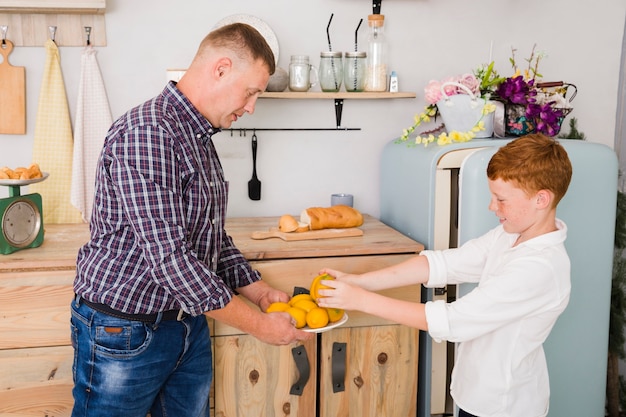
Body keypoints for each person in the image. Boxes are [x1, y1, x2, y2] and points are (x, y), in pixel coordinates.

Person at [71, 23, 313, 417]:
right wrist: (258, 324)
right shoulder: (149, 132)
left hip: (188, 325)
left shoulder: (197, 137)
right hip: (126, 332)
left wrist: (258, 291)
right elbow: (171, 259)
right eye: (251, 91)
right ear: (220, 69)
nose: (252, 106)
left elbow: (210, 237)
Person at [316, 134, 573, 417]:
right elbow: (444, 264)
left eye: (501, 199)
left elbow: (453, 321)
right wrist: (361, 282)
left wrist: (363, 301)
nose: (492, 207)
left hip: (504, 404)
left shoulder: (538, 268)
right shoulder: (510, 235)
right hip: (475, 392)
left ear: (541, 199)